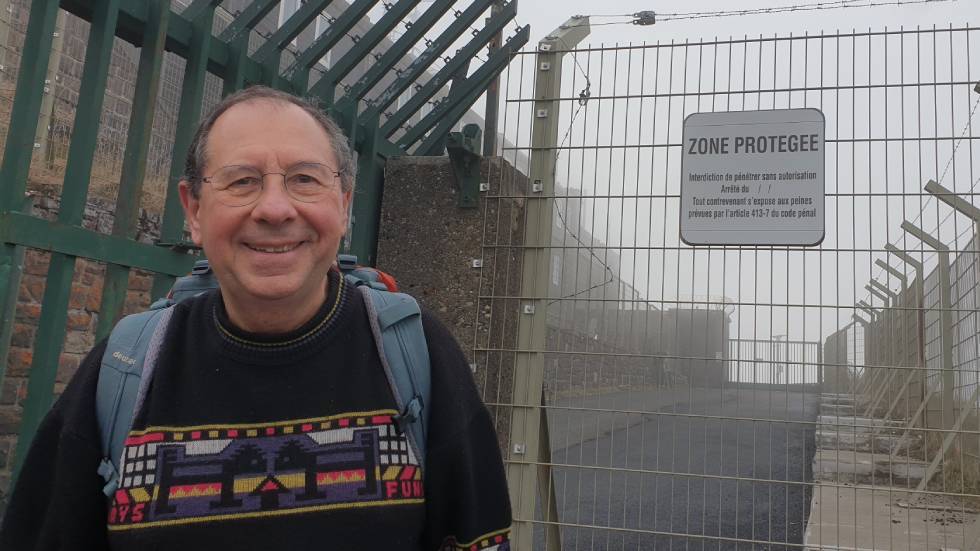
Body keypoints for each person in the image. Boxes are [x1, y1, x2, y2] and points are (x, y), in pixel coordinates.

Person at [0, 85, 511, 550]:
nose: (273, 208)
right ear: (194, 211)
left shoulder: (414, 352)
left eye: (305, 179)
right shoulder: (124, 371)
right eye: (242, 181)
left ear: (343, 205)